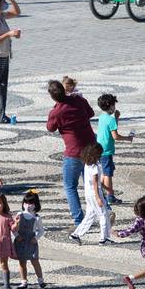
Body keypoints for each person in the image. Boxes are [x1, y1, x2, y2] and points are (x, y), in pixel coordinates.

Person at [45, 79, 95, 227]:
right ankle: (103, 210)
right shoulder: (78, 100)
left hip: (74, 151)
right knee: (92, 183)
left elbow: (50, 128)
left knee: (70, 186)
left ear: (52, 97)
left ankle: (79, 219)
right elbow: (90, 113)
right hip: (91, 147)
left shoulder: (56, 111)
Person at [70, 142, 113, 244]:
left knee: (90, 215)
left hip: (88, 194)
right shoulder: (95, 167)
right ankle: (104, 238)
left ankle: (76, 234)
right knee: (103, 214)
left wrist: (107, 188)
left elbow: (95, 182)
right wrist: (98, 198)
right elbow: (95, 183)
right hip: (95, 194)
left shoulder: (87, 165)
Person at [95, 93, 133, 205]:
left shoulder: (102, 117)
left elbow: (111, 127)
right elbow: (115, 136)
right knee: (108, 174)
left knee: (104, 172)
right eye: (114, 106)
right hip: (106, 150)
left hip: (99, 148)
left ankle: (100, 191)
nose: (114, 108)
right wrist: (127, 138)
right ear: (110, 106)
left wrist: (116, 118)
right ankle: (110, 196)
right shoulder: (110, 120)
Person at [12, 190, 47, 289]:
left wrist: (35, 238)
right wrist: (16, 235)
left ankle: (41, 280)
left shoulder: (37, 218)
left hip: (31, 241)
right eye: (26, 203)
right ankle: (24, 281)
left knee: (35, 261)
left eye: (31, 203)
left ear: (35, 205)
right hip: (20, 240)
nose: (28, 205)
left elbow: (41, 231)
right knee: (22, 262)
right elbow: (14, 227)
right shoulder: (20, 214)